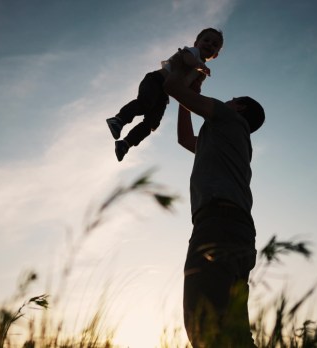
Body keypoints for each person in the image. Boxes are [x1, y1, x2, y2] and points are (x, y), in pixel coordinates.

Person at [163, 48, 265, 347]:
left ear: (239, 108)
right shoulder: (226, 136)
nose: (226, 100)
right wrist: (188, 98)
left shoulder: (225, 116)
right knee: (233, 330)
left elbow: (170, 87)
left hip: (217, 224)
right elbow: (185, 139)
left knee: (202, 320)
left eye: (232, 99)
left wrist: (187, 73)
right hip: (237, 229)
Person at [106, 28, 224, 161]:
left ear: (216, 55)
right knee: (145, 103)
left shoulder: (202, 70)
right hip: (156, 80)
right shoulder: (193, 52)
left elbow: (193, 89)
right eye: (206, 40)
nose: (209, 44)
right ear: (196, 43)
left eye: (214, 45)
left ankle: (125, 143)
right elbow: (187, 59)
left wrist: (197, 86)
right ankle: (119, 120)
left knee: (153, 123)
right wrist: (198, 66)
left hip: (164, 94)